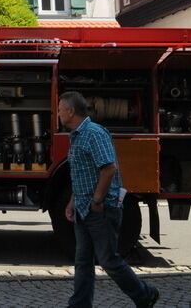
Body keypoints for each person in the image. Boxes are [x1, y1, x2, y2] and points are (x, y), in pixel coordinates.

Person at [58, 91, 159, 308]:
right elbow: (83, 172)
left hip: (100, 209)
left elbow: (109, 168)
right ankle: (80, 305)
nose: (57, 114)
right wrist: (73, 200)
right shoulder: (75, 136)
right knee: (83, 261)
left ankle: (145, 295)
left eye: (59, 109)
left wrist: (96, 201)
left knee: (109, 260)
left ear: (70, 111)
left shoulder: (94, 133)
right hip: (83, 209)